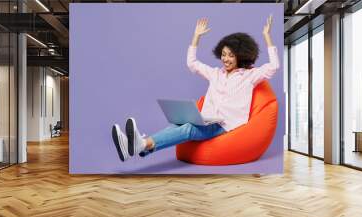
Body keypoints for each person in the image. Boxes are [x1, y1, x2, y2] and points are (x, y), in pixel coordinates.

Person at [112, 15, 279, 162]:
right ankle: (131, 147)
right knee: (177, 125)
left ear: (240, 56)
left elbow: (274, 66)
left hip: (226, 125)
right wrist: (196, 37)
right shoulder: (215, 73)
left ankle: (140, 144)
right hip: (208, 120)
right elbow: (192, 63)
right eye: (223, 54)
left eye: (231, 55)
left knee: (188, 129)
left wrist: (267, 36)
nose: (225, 59)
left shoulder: (250, 76)